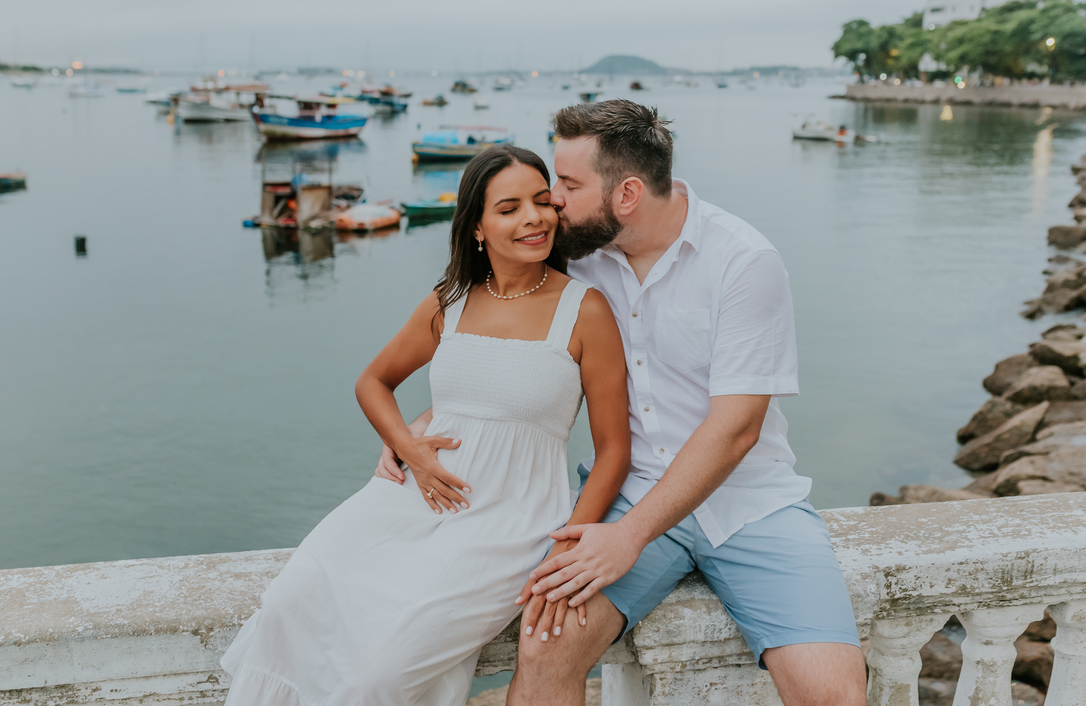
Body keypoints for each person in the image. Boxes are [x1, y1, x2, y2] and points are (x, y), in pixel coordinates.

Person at [381, 100, 865, 704]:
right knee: (543, 645)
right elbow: (510, 343)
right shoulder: (576, 255)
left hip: (750, 503)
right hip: (623, 492)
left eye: (569, 184)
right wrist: (427, 423)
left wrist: (628, 536)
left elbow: (738, 428)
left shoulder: (743, 262)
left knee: (834, 694)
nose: (552, 199)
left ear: (627, 194)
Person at [222, 145, 631, 706]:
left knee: (383, 675)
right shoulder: (452, 300)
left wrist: (564, 551)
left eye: (543, 201)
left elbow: (613, 453)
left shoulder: (585, 310)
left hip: (510, 522)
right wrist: (407, 447)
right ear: (478, 228)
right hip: (413, 500)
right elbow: (373, 381)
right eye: (509, 208)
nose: (533, 218)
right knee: (289, 603)